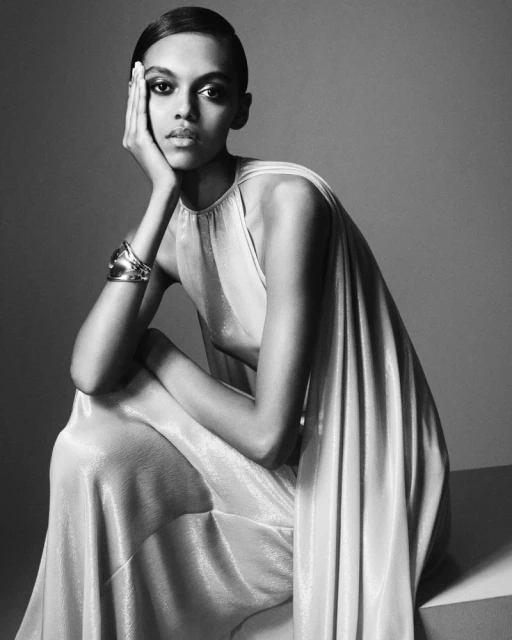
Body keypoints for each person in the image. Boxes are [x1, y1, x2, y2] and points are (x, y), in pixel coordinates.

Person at [15, 6, 451, 640]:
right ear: (136, 102)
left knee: (128, 388)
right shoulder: (168, 231)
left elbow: (268, 437)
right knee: (89, 451)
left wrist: (157, 351)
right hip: (285, 471)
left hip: (364, 487)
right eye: (162, 88)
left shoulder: (288, 203)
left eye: (211, 91)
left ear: (241, 109)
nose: (185, 111)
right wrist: (161, 197)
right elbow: (89, 371)